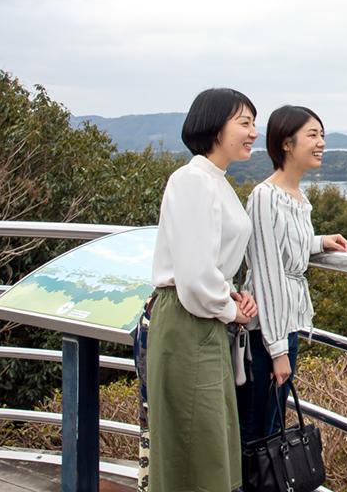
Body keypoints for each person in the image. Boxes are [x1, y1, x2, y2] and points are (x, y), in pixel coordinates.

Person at [146, 88, 260, 492]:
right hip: (187, 322)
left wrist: (229, 295)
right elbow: (193, 275)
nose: (252, 132)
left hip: (201, 319)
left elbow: (206, 265)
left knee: (205, 442)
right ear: (214, 125)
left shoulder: (214, 180)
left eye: (253, 123)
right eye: (243, 123)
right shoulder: (193, 180)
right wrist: (231, 309)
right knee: (196, 444)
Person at [238, 104, 347, 443]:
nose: (321, 143)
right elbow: (267, 273)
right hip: (265, 334)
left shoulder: (296, 197)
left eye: (322, 135)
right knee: (257, 433)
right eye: (312, 135)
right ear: (286, 143)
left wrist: (319, 242)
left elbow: (287, 248)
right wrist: (278, 351)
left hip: (286, 326)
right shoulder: (265, 197)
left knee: (271, 428)